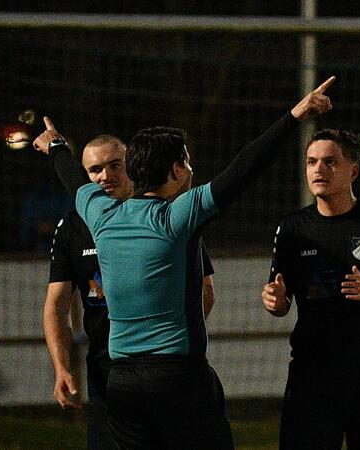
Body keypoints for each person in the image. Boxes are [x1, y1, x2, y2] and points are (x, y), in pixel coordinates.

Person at [34, 76, 334, 449]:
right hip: (177, 379)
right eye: (187, 162)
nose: (192, 171)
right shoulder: (179, 215)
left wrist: (56, 146)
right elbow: (244, 168)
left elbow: (72, 177)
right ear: (176, 170)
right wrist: (294, 116)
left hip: (121, 384)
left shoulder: (100, 215)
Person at [43, 134, 217, 450]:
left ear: (133, 167)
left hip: (166, 370)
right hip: (106, 374)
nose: (105, 176)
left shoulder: (169, 216)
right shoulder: (73, 227)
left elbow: (205, 290)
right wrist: (61, 368)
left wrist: (167, 343)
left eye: (115, 165)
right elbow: (56, 305)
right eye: (95, 170)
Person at [261, 129, 360, 450]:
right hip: (311, 376)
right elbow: (281, 301)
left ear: (353, 171)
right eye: (311, 162)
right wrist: (274, 301)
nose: (318, 169)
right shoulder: (292, 229)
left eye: (330, 162)